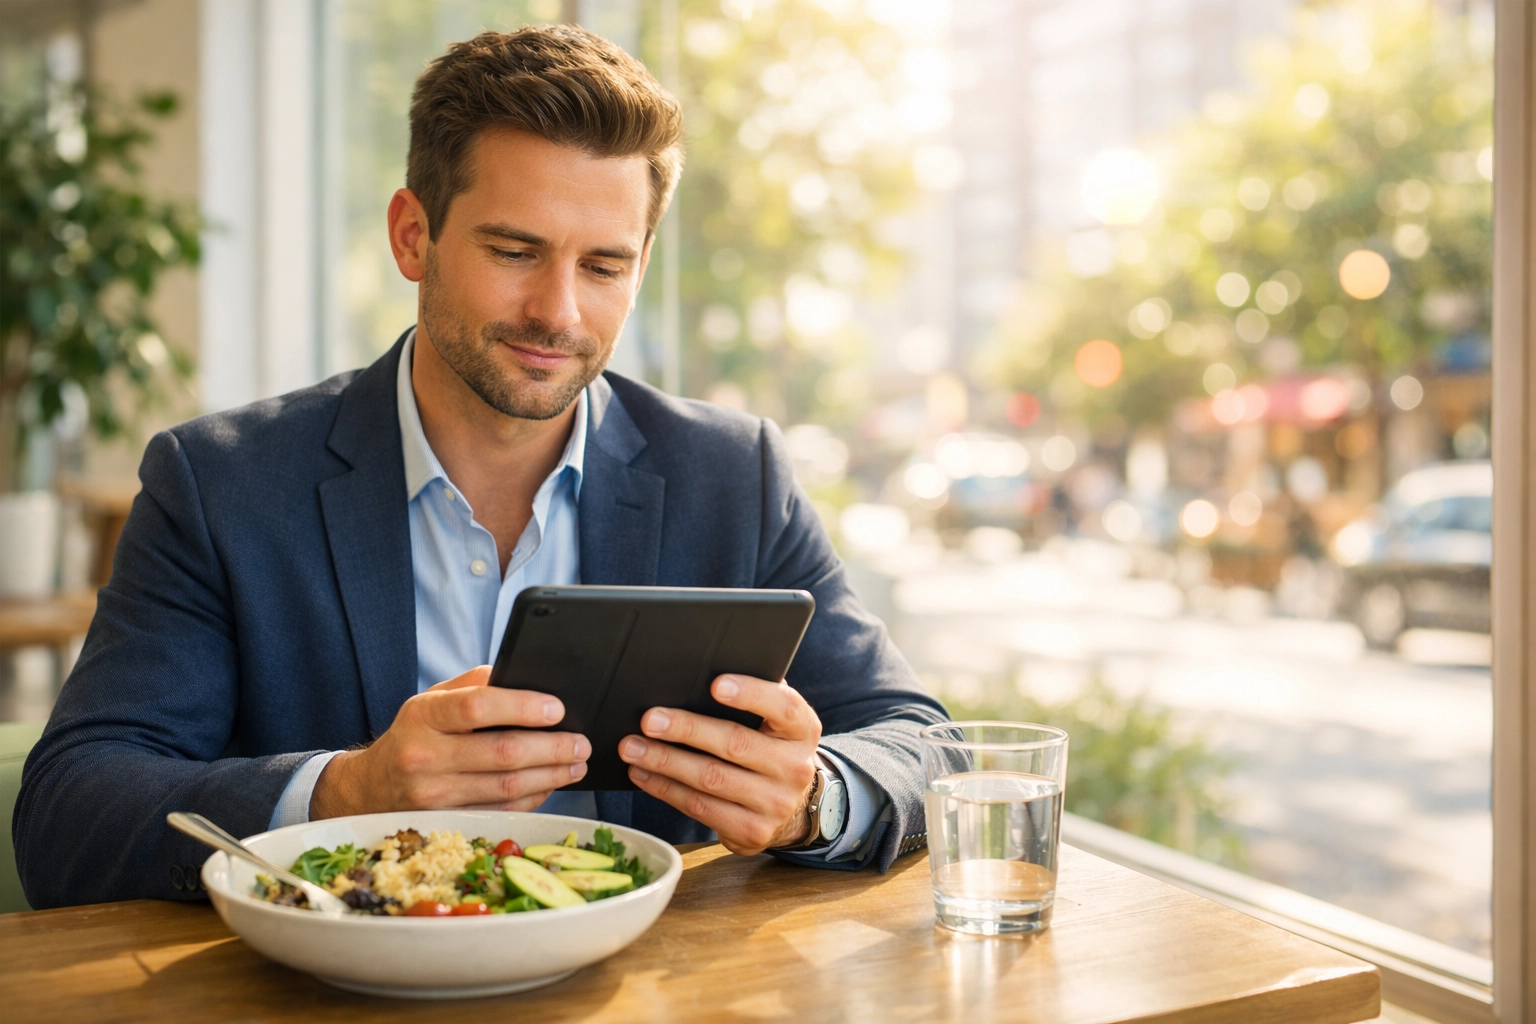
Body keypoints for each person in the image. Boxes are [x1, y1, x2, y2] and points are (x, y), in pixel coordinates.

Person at [13, 25, 945, 909]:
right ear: (413, 235)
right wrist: (348, 791)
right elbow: (69, 813)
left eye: (604, 267)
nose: (560, 313)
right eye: (514, 251)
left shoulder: (734, 476)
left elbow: (928, 744)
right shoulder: (219, 485)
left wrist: (812, 800)